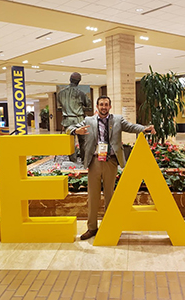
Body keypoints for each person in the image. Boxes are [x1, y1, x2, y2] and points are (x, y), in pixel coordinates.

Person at [67, 96, 156, 240]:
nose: (103, 107)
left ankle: (109, 225)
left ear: (110, 107)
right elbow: (69, 128)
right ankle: (92, 228)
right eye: (101, 104)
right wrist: (76, 132)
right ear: (97, 106)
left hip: (111, 162)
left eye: (106, 105)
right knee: (93, 196)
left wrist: (145, 129)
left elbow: (131, 127)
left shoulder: (117, 120)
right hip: (94, 162)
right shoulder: (89, 121)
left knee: (110, 195)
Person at [57, 72, 91, 162]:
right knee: (82, 141)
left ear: (70, 80)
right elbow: (88, 104)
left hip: (67, 119)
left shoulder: (60, 93)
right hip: (79, 118)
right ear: (79, 82)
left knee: (70, 142)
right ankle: (84, 160)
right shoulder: (81, 93)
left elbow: (60, 104)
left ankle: (73, 160)